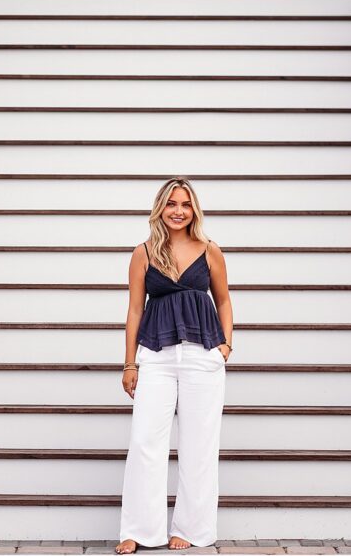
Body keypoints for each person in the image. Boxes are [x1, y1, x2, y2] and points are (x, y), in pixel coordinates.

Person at [115, 177, 234, 554]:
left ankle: (191, 528)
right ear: (160, 209)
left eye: (185, 203)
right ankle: (139, 529)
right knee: (145, 442)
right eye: (171, 204)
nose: (178, 210)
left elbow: (225, 300)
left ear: (193, 209)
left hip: (203, 356)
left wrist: (225, 346)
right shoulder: (144, 252)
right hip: (155, 354)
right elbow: (135, 310)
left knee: (200, 445)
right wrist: (129, 363)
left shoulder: (209, 249)